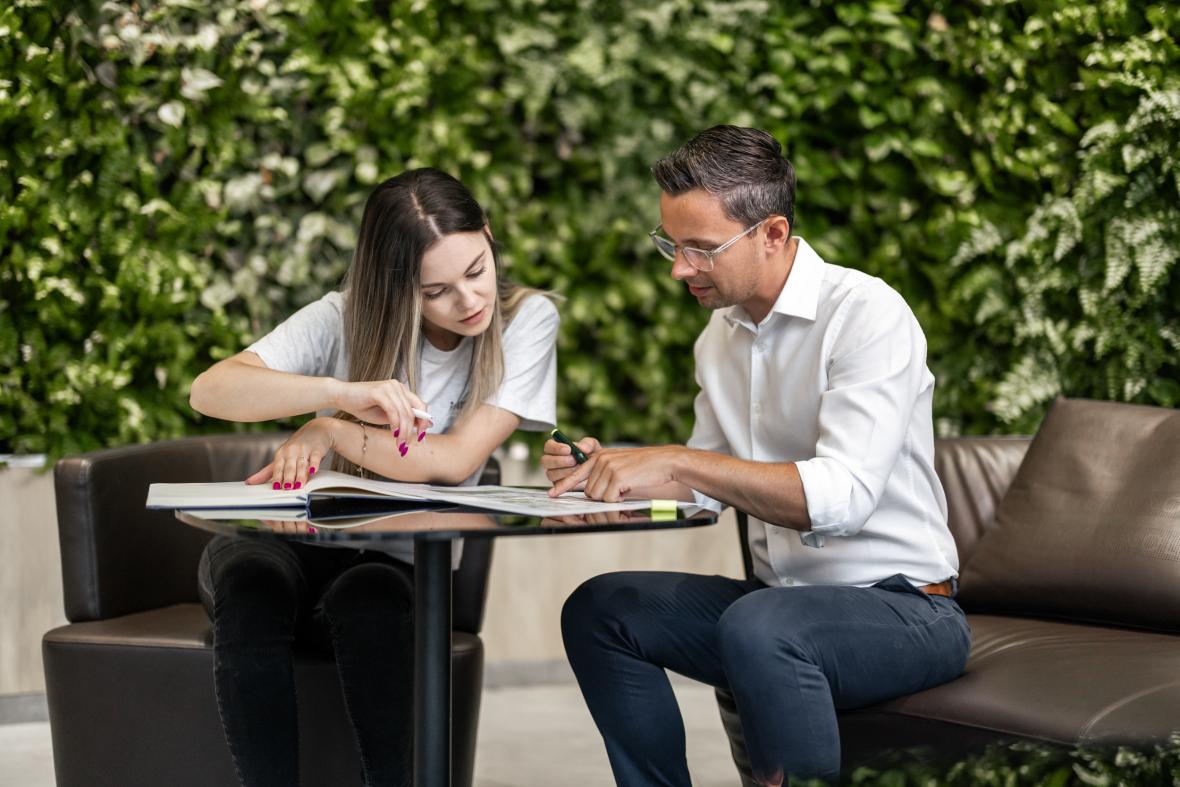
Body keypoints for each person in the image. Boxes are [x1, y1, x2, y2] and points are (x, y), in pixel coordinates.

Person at [543, 126, 968, 786]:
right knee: (600, 609)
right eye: (671, 244)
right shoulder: (721, 335)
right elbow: (709, 481)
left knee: (762, 624)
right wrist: (616, 468)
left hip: (909, 609)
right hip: (777, 607)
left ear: (772, 233)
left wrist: (678, 462)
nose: (679, 268)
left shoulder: (867, 315)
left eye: (699, 249)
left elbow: (844, 497)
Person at [188, 167, 559, 787]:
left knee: (373, 598)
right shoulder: (340, 316)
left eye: (476, 270)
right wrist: (338, 392)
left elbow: (455, 459)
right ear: (396, 288)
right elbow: (210, 390)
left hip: (395, 563)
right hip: (288, 546)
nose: (469, 301)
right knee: (250, 576)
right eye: (435, 291)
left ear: (489, 238)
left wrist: (330, 429)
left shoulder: (527, 320)